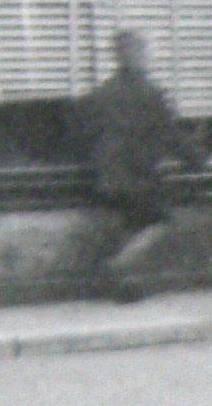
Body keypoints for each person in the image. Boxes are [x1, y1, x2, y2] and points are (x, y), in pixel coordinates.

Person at [74, 28, 195, 301]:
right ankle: (118, 266)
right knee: (159, 221)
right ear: (136, 56)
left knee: (131, 225)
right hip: (139, 177)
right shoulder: (150, 94)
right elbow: (173, 136)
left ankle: (124, 284)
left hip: (107, 177)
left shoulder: (102, 93)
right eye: (143, 51)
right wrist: (199, 161)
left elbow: (84, 133)